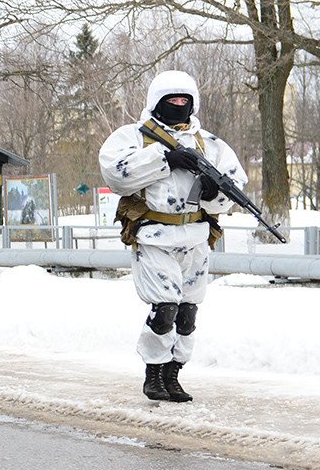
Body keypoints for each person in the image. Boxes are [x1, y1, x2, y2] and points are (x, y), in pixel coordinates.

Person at [99, 70, 246, 403]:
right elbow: (116, 175)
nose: (179, 105)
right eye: (172, 99)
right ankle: (154, 372)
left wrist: (212, 192)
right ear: (157, 101)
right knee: (165, 309)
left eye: (184, 99)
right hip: (155, 236)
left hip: (196, 237)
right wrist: (165, 159)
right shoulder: (134, 137)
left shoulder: (209, 144)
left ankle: (173, 374)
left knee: (187, 314)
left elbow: (235, 188)